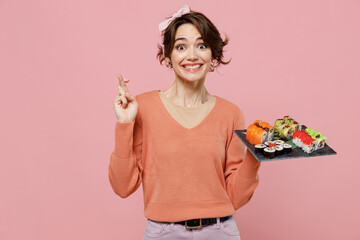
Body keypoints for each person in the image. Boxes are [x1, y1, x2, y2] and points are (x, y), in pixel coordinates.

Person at [108, 5, 261, 240]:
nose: (192, 55)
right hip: (162, 233)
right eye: (181, 47)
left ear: (213, 54)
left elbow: (236, 197)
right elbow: (122, 187)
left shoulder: (230, 113)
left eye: (202, 45)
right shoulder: (142, 108)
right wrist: (125, 125)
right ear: (168, 56)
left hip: (221, 232)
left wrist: (255, 153)